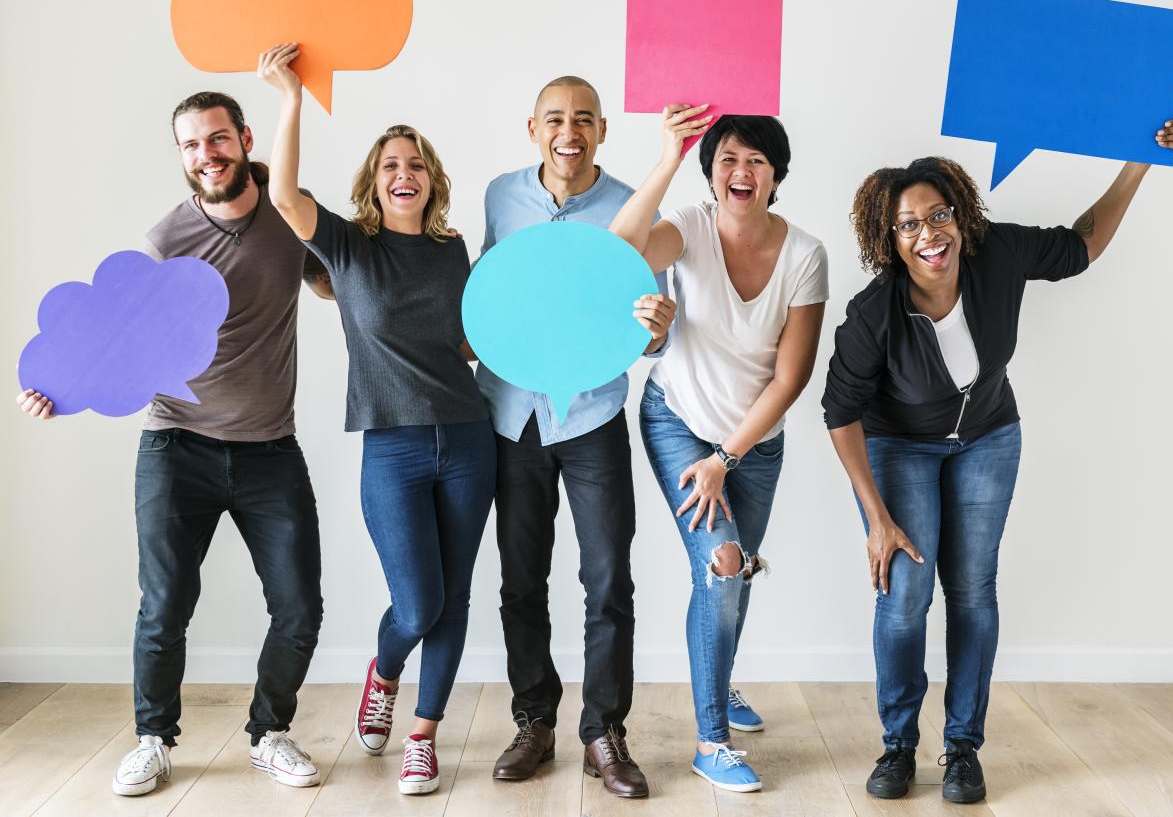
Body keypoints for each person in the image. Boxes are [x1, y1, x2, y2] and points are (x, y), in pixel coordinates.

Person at [821, 118, 1173, 804]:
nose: (930, 232)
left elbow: (1082, 244)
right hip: (898, 444)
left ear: (960, 216)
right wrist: (876, 516)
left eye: (939, 214)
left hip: (989, 437)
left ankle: (962, 747)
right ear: (889, 240)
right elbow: (838, 412)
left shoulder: (999, 253)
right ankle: (898, 743)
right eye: (909, 225)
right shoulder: (874, 314)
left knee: (973, 590)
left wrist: (1140, 161)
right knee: (905, 597)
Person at [16, 90, 333, 795]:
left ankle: (270, 731)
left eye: (217, 139)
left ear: (245, 138)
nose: (206, 155)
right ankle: (155, 739)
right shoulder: (166, 239)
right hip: (175, 447)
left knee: (301, 607)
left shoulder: (290, 214)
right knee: (164, 604)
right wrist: (56, 389)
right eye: (191, 145)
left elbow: (337, 285)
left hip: (268, 450)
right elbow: (117, 344)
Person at [257, 43, 496, 796]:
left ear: (433, 180)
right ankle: (385, 669)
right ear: (374, 179)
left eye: (416, 163)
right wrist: (291, 99)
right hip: (390, 446)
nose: (404, 174)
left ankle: (423, 735)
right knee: (418, 603)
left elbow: (467, 339)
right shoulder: (348, 244)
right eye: (392, 163)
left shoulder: (454, 248)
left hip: (466, 437)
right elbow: (284, 193)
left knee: (454, 599)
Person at [610, 106, 828, 792]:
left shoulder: (805, 254)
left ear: (775, 177)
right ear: (712, 173)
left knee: (735, 573)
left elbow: (790, 378)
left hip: (752, 444)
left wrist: (725, 459)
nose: (742, 171)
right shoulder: (690, 227)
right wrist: (672, 152)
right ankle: (712, 739)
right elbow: (616, 255)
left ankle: (719, 676)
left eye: (757, 161)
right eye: (728, 158)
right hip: (676, 418)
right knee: (724, 563)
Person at [478, 76, 676, 799]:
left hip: (592, 418)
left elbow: (648, 319)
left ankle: (602, 731)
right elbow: (487, 291)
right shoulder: (502, 196)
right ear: (533, 128)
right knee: (521, 579)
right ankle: (534, 719)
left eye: (584, 119)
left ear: (602, 130)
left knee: (607, 579)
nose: (570, 131)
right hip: (512, 418)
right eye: (556, 119)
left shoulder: (632, 202)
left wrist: (660, 329)